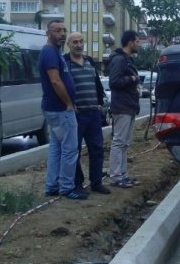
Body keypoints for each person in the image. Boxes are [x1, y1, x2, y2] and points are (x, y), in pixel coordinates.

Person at [39, 20, 88, 200]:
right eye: (57, 30)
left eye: (63, 30)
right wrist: (68, 103)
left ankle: (52, 185)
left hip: (53, 107)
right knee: (69, 149)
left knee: (56, 148)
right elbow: (55, 80)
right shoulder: (50, 53)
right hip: (60, 108)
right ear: (48, 33)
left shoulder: (54, 52)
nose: (62, 33)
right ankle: (67, 188)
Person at [64, 32, 111, 195]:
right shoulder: (65, 62)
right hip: (76, 115)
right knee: (74, 150)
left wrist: (100, 103)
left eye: (81, 41)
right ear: (68, 45)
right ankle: (77, 184)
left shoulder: (90, 61)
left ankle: (96, 182)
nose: (79, 45)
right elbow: (61, 87)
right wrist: (70, 105)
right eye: (75, 42)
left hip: (93, 113)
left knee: (97, 149)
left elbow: (97, 83)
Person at [108, 29, 141, 188]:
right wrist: (132, 78)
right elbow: (114, 82)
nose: (139, 44)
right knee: (119, 141)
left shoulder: (127, 59)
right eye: (137, 41)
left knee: (125, 143)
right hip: (122, 107)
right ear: (130, 42)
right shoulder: (119, 60)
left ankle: (123, 174)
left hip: (129, 106)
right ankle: (115, 177)